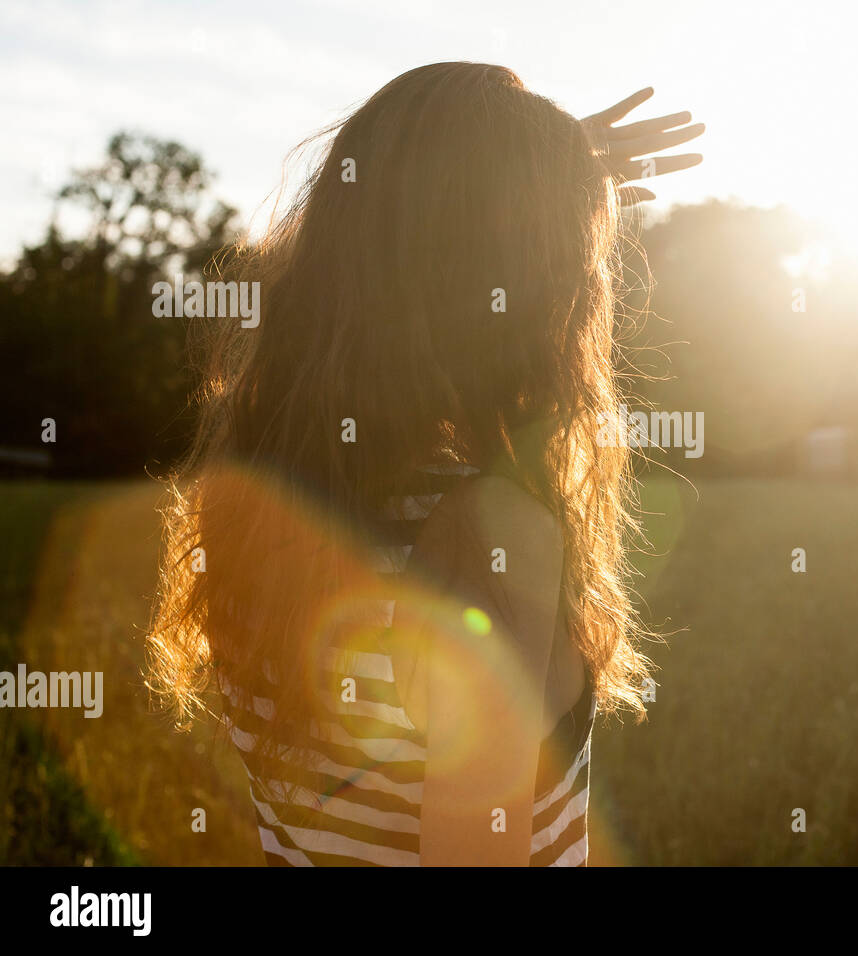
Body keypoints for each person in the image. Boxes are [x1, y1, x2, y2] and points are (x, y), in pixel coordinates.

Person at [146, 62, 704, 866]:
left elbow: (376, 251)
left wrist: (514, 173)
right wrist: (525, 184)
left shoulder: (256, 492)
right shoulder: (494, 539)